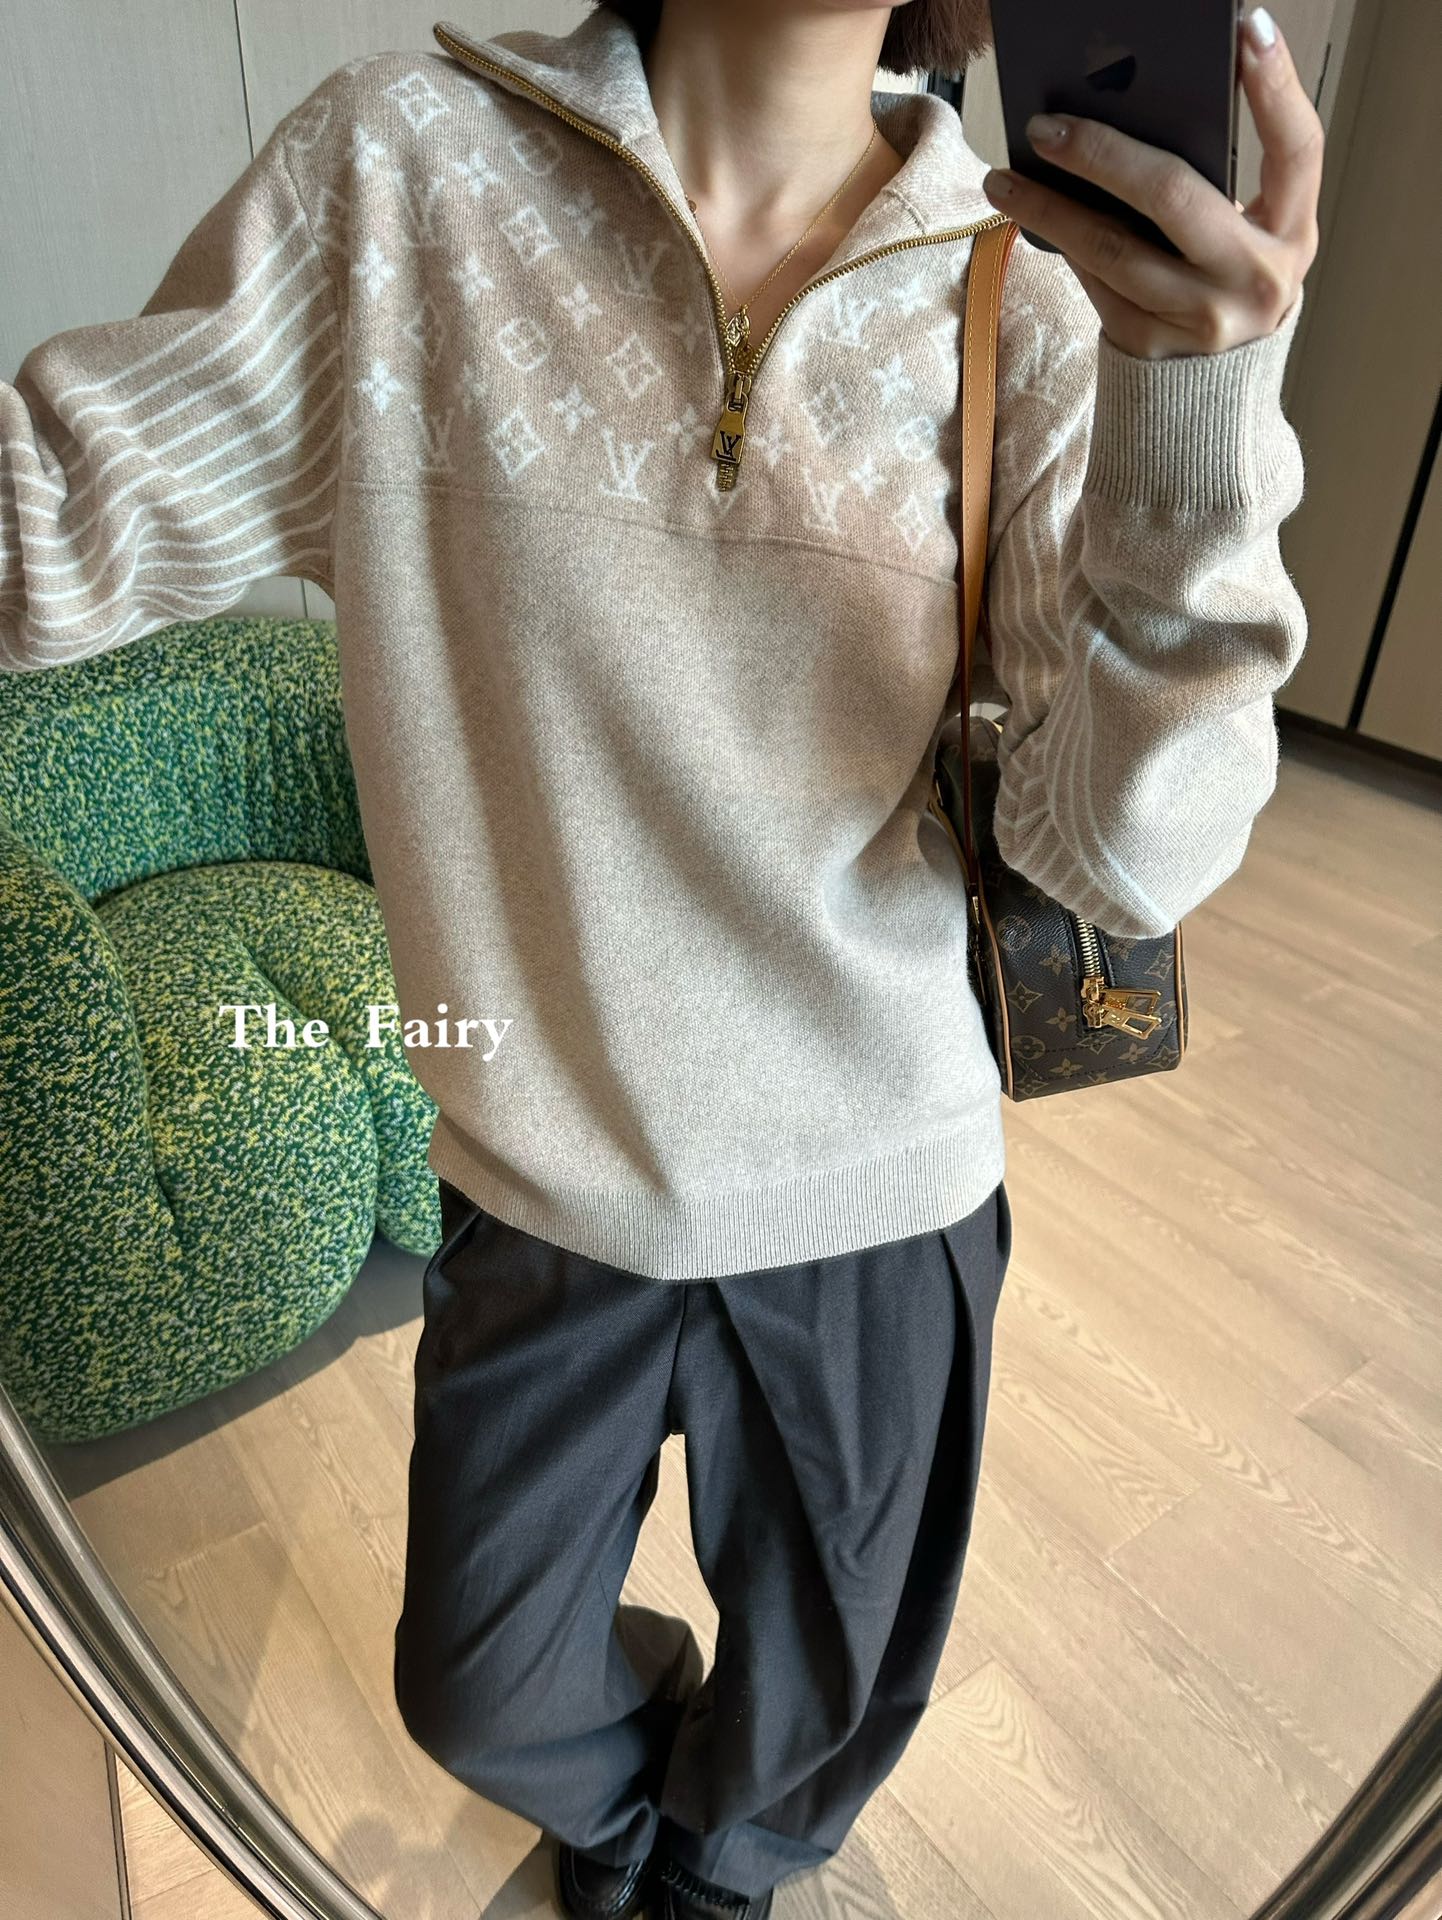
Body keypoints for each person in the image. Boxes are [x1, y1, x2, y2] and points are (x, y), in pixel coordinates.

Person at [0, 0, 1323, 1914]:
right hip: (544, 1186)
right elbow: (48, 532)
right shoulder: (399, 178)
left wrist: (1194, 415)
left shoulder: (1027, 295)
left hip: (879, 1198)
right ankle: (625, 1826)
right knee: (484, 1685)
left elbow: (1117, 856)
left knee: (825, 1704)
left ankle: (721, 1877)